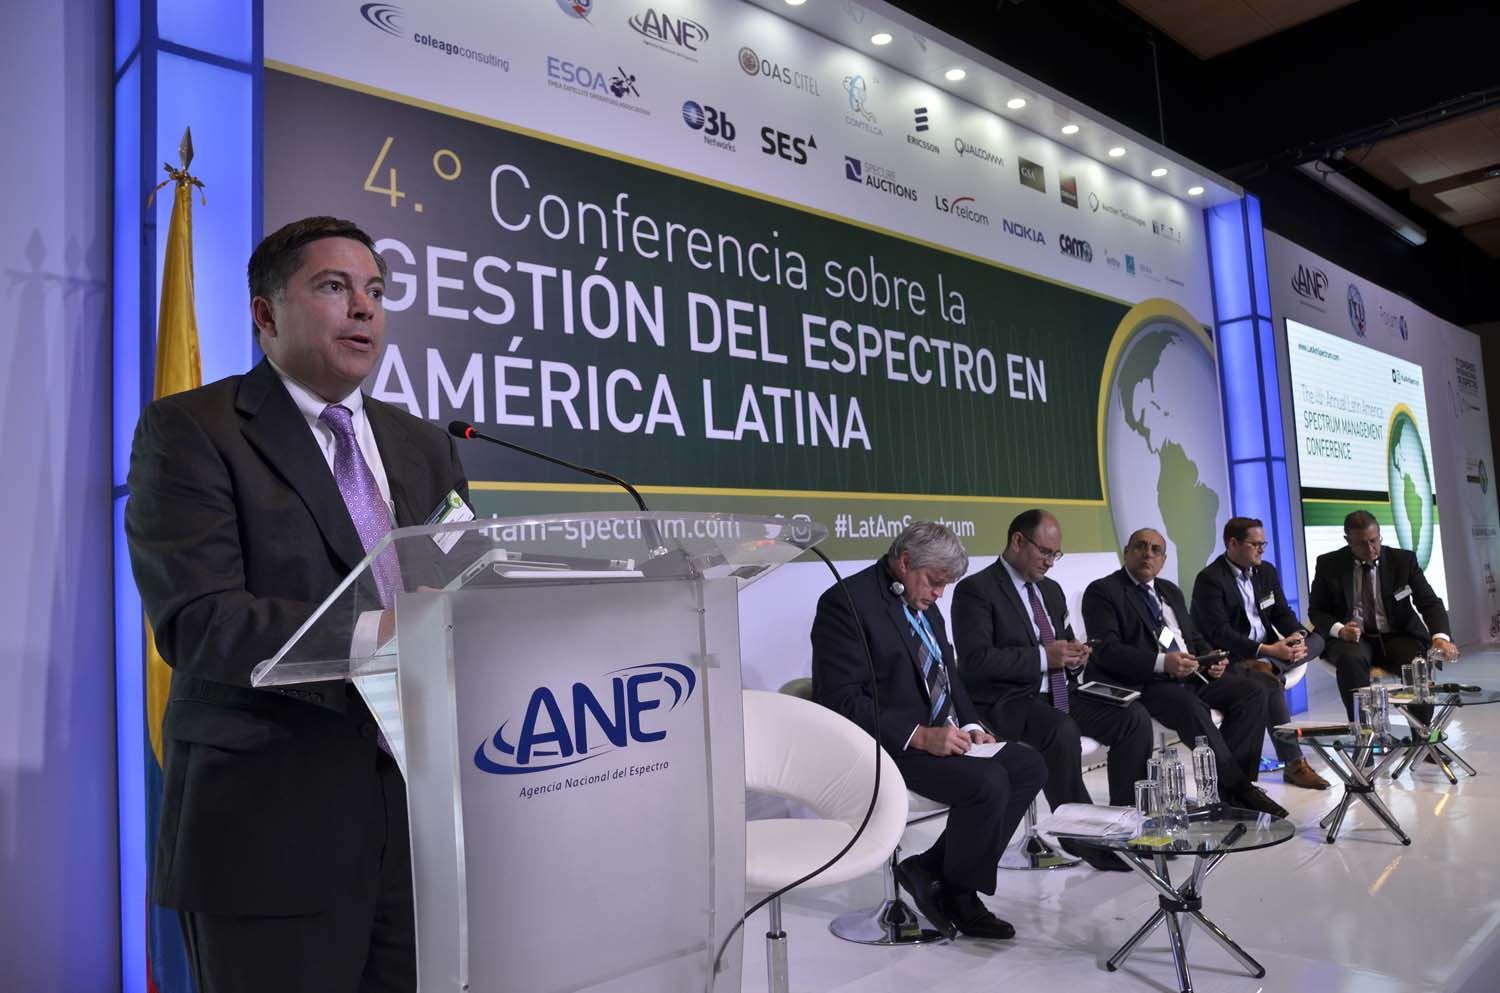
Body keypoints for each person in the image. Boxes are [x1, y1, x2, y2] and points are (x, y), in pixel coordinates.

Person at [126, 216, 471, 993]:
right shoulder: (191, 431)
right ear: (265, 313)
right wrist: (386, 632)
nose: (364, 307)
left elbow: (456, 584)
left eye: (375, 290)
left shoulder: (425, 445)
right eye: (334, 286)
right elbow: (200, 620)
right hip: (267, 833)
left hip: (416, 830)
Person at [812, 522, 1047, 941]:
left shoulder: (921, 600)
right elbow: (840, 700)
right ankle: (961, 895)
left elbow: (948, 674)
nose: (940, 594)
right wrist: (919, 735)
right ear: (905, 562)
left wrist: (971, 725)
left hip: (940, 736)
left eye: (945, 585)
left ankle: (931, 870)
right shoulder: (845, 603)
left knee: (1028, 765)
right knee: (988, 781)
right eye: (935, 582)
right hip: (886, 745)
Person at [952, 509, 1150, 869]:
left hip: (1060, 692)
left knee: (1133, 718)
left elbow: (1063, 642)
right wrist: (1044, 657)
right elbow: (974, 661)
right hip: (1007, 701)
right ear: (1018, 541)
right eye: (1045, 552)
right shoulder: (976, 590)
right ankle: (1084, 839)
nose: (1051, 562)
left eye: (1055, 554)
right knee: (1060, 730)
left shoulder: (1051, 590)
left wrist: (1075, 656)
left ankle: (1125, 827)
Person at [1081, 528, 1287, 818]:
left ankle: (1230, 793)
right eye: (1141, 547)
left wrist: (1211, 658)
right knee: (1187, 704)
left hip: (1190, 673)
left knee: (1252, 691)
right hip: (1143, 681)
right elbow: (1107, 650)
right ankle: (1242, 790)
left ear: (1163, 560)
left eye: (1156, 550)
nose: (1148, 554)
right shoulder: (1103, 591)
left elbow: (1192, 637)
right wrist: (1162, 662)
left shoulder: (1169, 591)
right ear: (1127, 552)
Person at [1192, 517, 1330, 790]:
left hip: (1269, 652)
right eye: (1255, 544)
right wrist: (1265, 650)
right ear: (1233, 544)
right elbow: (1220, 632)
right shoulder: (1210, 579)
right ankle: (1294, 764)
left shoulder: (1265, 571)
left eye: (1263, 543)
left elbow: (1281, 613)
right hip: (1235, 656)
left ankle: (1269, 664)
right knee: (1268, 683)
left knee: (1318, 640)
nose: (1262, 549)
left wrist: (1297, 637)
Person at [1307, 510, 1460, 723]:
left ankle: (1422, 734)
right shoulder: (1329, 564)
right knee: (1351, 660)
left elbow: (1429, 602)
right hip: (1352, 639)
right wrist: (1340, 630)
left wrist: (1440, 637)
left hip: (1396, 635)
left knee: (1416, 661)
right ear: (1348, 541)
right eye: (1362, 544)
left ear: (1379, 535)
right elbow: (1317, 610)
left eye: (1374, 540)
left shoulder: (1403, 561)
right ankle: (1364, 734)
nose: (1370, 549)